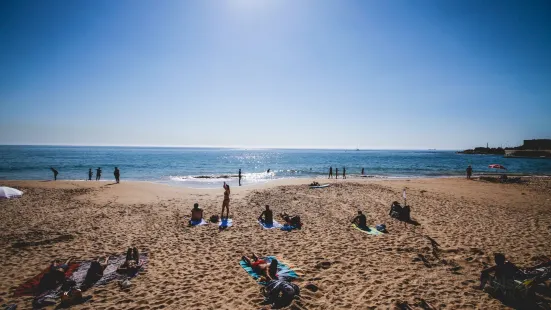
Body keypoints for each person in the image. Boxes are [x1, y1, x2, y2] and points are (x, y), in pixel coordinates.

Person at [479, 253, 551, 290]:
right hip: (513, 281)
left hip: (502, 285)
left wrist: (489, 269)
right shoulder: (508, 264)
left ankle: (481, 287)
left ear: (497, 261)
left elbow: (484, 272)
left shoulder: (497, 267)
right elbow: (517, 270)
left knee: (484, 274)